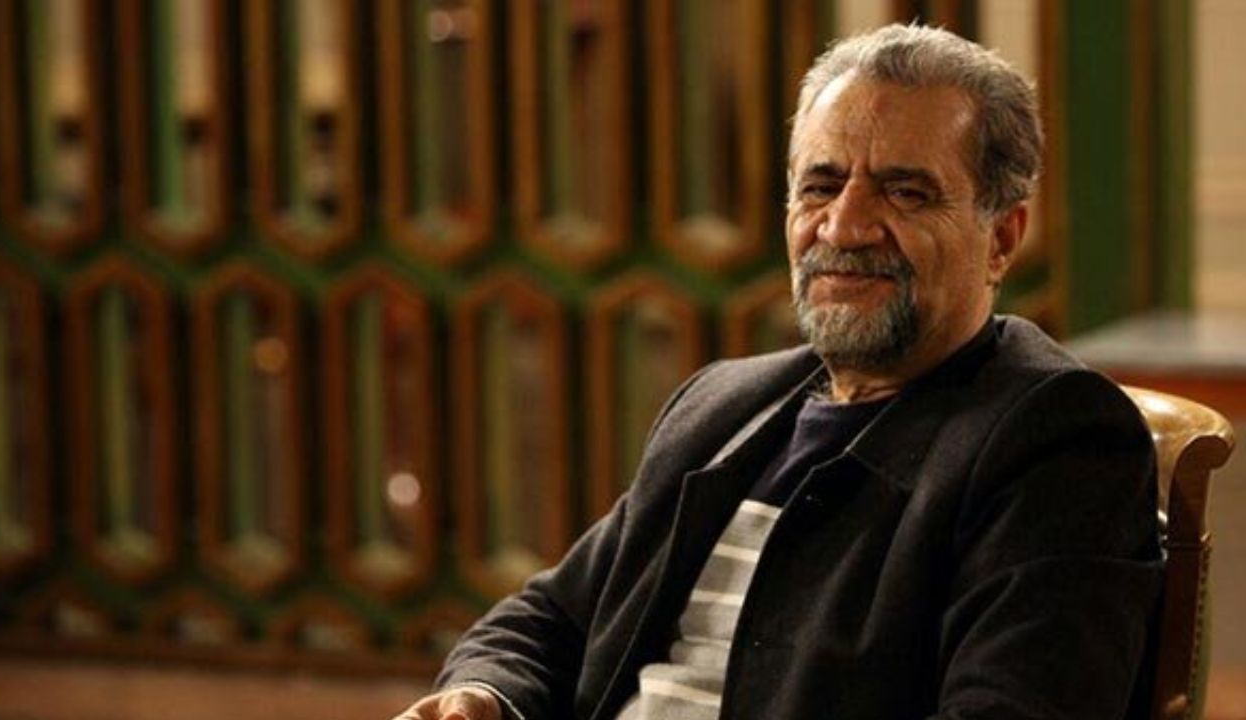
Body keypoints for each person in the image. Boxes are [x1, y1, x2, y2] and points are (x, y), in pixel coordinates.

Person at [396, 23, 1161, 720]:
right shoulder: (724, 404)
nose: (845, 227)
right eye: (820, 186)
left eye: (905, 192)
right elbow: (553, 618)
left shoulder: (1055, 440)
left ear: (1002, 238)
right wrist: (484, 696)